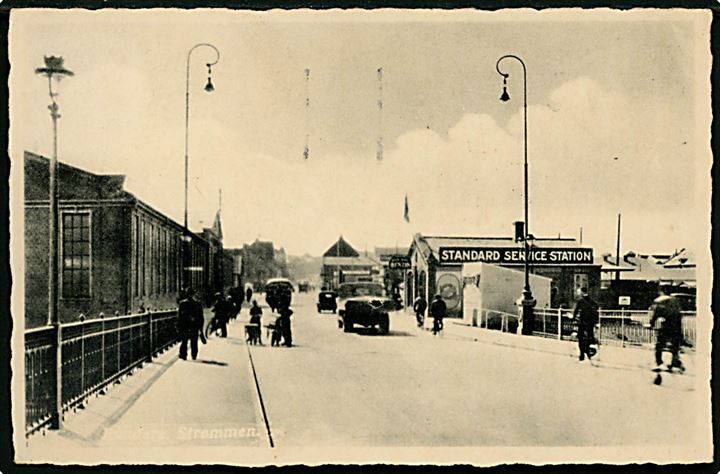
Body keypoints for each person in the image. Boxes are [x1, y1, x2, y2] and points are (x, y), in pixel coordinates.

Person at [649, 287, 684, 372]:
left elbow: (655, 314)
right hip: (676, 326)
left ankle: (659, 363)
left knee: (659, 345)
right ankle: (674, 363)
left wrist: (652, 324)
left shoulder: (659, 301)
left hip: (664, 326)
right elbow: (679, 314)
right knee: (675, 346)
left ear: (661, 292)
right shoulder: (675, 301)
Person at [573, 287, 598, 363]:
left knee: (580, 338)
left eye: (580, 292)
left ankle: (582, 355)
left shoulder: (580, 301)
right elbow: (596, 310)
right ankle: (589, 351)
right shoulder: (592, 301)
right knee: (589, 337)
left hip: (582, 322)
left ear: (582, 292)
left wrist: (574, 318)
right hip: (590, 323)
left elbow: (576, 311)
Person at [177, 287, 204, 360]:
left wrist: (179, 326)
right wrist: (201, 328)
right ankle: (194, 354)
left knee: (184, 340)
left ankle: (183, 354)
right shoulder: (198, 304)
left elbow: (179, 316)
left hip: (185, 324)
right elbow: (201, 317)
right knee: (194, 341)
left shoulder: (182, 303)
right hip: (194, 325)